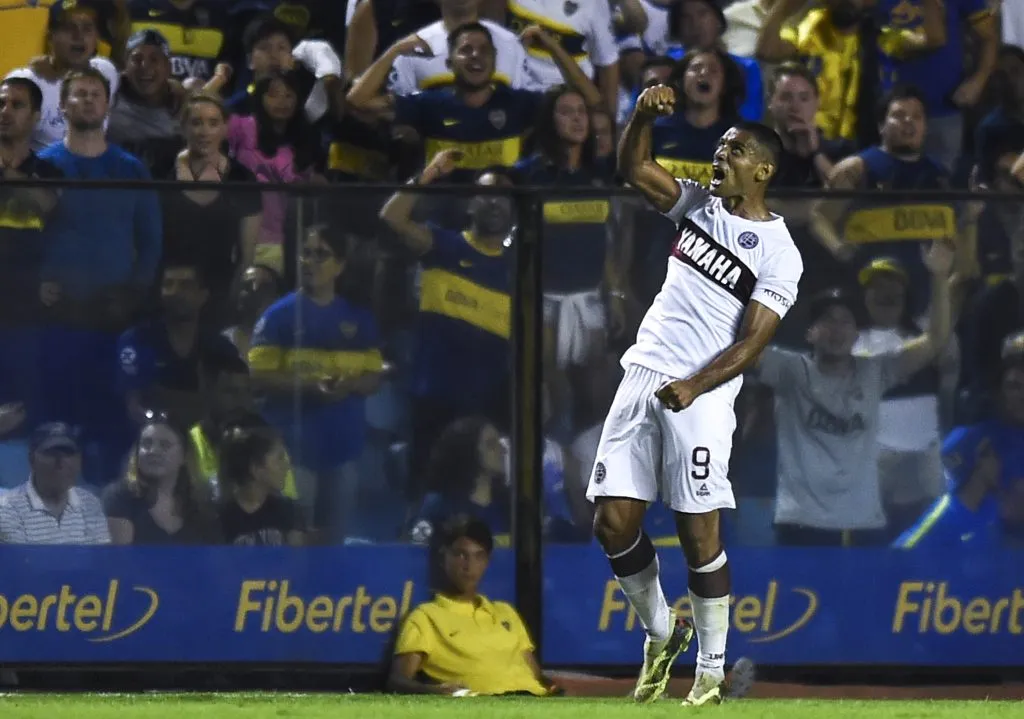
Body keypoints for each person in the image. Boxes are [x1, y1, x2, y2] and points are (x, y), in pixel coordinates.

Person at [588, 84, 802, 706]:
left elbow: (754, 343)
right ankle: (662, 634)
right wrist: (641, 114)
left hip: (704, 396)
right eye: (718, 148)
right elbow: (634, 168)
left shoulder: (781, 252)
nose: (720, 158)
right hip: (644, 374)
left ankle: (710, 672)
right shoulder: (697, 206)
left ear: (761, 169)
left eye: (733, 150)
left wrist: (696, 384)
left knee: (697, 532)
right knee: (611, 522)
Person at [388, 514, 560, 696]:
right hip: (486, 702)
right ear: (442, 558)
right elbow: (398, 681)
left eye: (479, 556)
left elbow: (536, 674)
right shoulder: (426, 617)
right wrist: (434, 691)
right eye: (461, 555)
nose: (469, 566)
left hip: (534, 698)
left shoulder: (506, 612)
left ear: (486, 562)